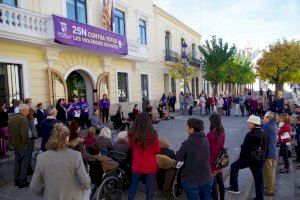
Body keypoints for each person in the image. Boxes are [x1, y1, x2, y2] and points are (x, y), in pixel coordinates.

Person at [30, 124, 90, 199]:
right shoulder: (76, 155)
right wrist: (86, 186)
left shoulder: (41, 158)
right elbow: (86, 181)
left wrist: (45, 192)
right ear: (66, 138)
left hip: (51, 196)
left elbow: (34, 186)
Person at [226, 115, 268, 200]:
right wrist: (263, 158)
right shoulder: (264, 132)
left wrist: (241, 158)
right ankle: (259, 197)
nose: (248, 124)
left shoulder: (250, 134)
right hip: (259, 159)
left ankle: (234, 188)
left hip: (249, 159)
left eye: (249, 123)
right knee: (258, 179)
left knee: (234, 166)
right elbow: (266, 148)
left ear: (253, 124)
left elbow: (245, 149)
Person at [176, 118, 213, 200]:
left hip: (191, 180)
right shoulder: (205, 139)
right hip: (207, 177)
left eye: (187, 126)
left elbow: (178, 157)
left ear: (191, 129)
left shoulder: (187, 143)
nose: (186, 128)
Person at [127, 113, 160, 200]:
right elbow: (157, 150)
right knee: (149, 188)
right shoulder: (153, 134)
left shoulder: (132, 133)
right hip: (150, 165)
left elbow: (130, 146)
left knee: (133, 185)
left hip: (137, 164)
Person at [8, 104, 31, 188]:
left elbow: (9, 132)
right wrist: (28, 142)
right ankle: (22, 181)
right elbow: (24, 134)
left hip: (15, 144)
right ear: (23, 110)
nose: (28, 112)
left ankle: (16, 179)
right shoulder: (23, 119)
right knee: (24, 163)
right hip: (22, 145)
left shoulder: (12, 118)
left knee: (17, 162)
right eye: (27, 110)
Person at [207, 114, 225, 200]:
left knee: (214, 187)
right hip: (219, 161)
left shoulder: (210, 135)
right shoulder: (222, 133)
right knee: (221, 184)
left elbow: (207, 149)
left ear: (212, 122)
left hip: (211, 162)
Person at [261, 111, 278, 196]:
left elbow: (259, 131)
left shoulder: (267, 126)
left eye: (264, 117)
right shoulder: (273, 125)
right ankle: (268, 187)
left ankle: (269, 190)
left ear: (268, 118)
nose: (263, 118)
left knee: (268, 172)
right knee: (269, 171)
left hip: (269, 152)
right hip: (272, 151)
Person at [27, 107, 37, 175]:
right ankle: (29, 169)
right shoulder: (30, 119)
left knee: (27, 154)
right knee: (29, 154)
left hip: (26, 137)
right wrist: (34, 136)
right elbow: (32, 129)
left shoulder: (25, 118)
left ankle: (28, 168)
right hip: (30, 138)